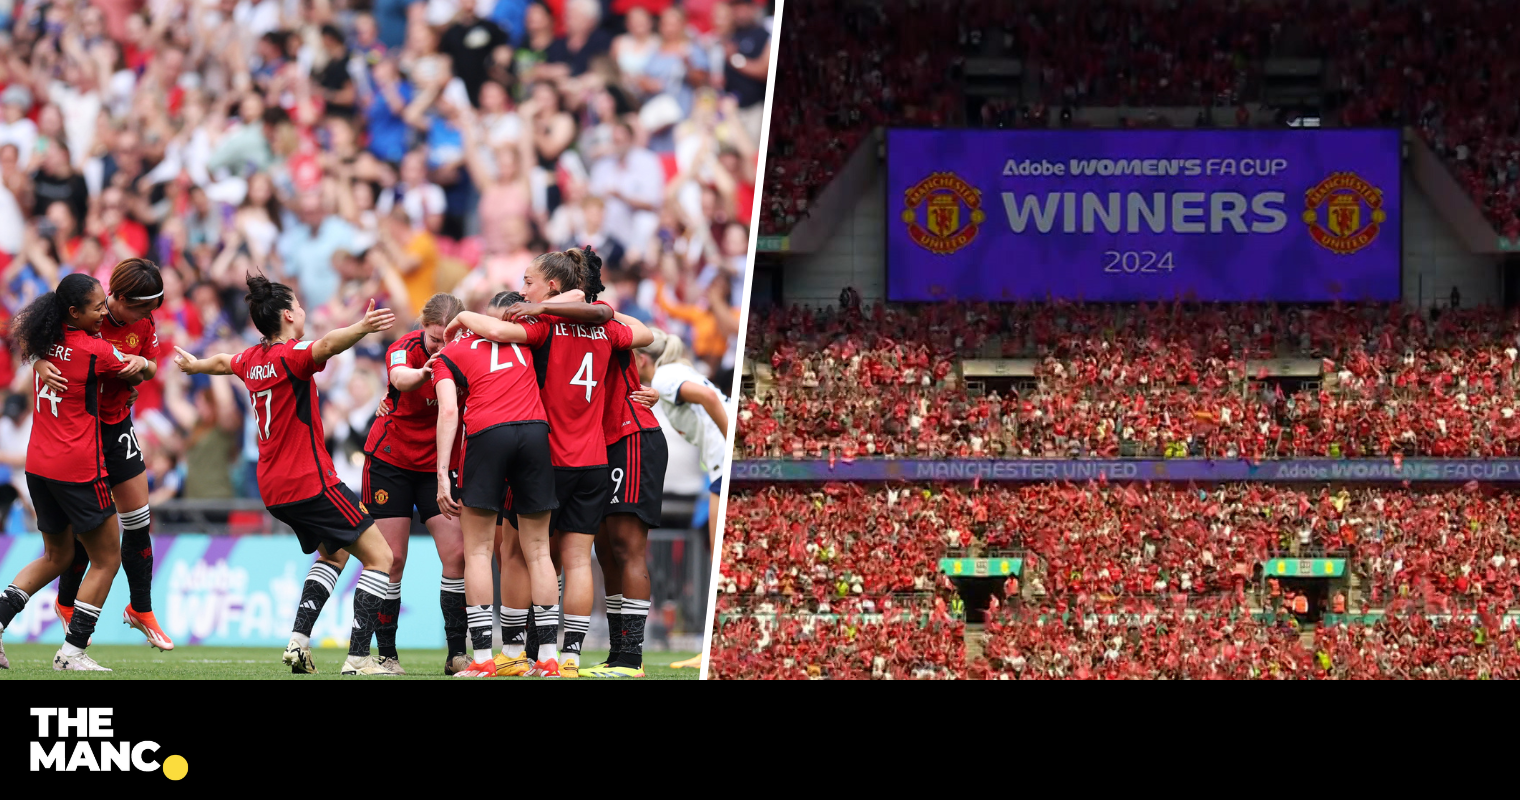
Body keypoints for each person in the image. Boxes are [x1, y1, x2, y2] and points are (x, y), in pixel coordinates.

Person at [171, 275, 398, 676]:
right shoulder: (290, 356)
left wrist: (196, 366)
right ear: (289, 314)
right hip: (310, 481)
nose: (306, 312)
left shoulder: (252, 359)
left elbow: (224, 361)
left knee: (334, 553)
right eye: (301, 304)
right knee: (382, 557)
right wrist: (362, 327)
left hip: (273, 489)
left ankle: (298, 643)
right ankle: (360, 659)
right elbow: (326, 345)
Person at [449, 247, 652, 678]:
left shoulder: (543, 327)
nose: (523, 290)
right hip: (594, 457)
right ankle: (569, 658)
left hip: (545, 455)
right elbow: (645, 335)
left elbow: (500, 333)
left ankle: (515, 652)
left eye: (528, 281)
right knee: (578, 559)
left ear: (552, 286)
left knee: (517, 552)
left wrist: (465, 316)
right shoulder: (607, 329)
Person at [290, 293, 470, 675]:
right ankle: (386, 655)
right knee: (392, 559)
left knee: (456, 555)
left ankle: (457, 654)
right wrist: (429, 372)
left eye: (450, 338)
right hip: (392, 462)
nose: (443, 346)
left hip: (439, 463)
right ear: (423, 328)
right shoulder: (404, 348)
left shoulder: (468, 351)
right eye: (436, 338)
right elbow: (399, 378)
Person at [0, 273, 150, 671]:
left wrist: (37, 359)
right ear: (73, 312)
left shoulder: (43, 343)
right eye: (98, 306)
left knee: (57, 555)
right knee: (105, 560)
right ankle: (72, 652)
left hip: (39, 465)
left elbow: (18, 333)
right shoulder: (96, 350)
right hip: (78, 468)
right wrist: (146, 364)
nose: (105, 311)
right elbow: (137, 372)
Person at [37, 258, 174, 651]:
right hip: (80, 433)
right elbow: (30, 336)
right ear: (116, 297)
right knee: (90, 529)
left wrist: (142, 365)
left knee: (138, 521)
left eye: (152, 309)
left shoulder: (144, 324)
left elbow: (152, 367)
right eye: (141, 307)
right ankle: (66, 604)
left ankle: (141, 609)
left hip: (117, 426)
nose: (147, 317)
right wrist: (38, 360)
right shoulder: (84, 312)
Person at [432, 291, 561, 678]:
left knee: (478, 551)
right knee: (539, 551)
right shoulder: (525, 337)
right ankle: (549, 660)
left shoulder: (448, 354)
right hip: (536, 432)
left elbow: (450, 411)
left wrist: (442, 472)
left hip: (488, 433)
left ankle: (484, 660)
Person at [636, 328, 729, 669]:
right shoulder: (670, 373)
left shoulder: (666, 374)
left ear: (643, 359)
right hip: (718, 468)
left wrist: (730, 439)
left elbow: (708, 398)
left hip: (723, 464)